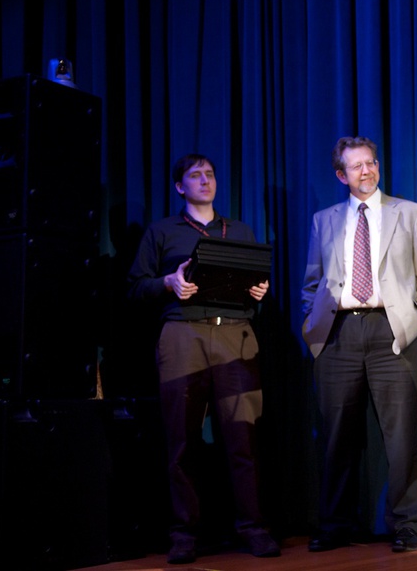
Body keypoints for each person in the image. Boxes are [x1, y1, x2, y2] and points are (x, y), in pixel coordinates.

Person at [127, 153, 280, 565]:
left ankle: (253, 528)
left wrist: (259, 292)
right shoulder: (162, 231)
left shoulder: (239, 230)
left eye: (210, 174)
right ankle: (184, 534)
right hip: (183, 333)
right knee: (182, 440)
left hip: (235, 333)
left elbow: (255, 281)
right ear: (180, 186)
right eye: (195, 176)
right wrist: (168, 282)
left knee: (243, 437)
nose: (205, 180)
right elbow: (135, 287)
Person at [301, 136, 417, 554]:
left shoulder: (409, 213)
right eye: (357, 166)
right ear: (340, 175)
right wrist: (312, 325)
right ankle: (335, 525)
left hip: (391, 332)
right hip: (338, 334)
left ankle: (405, 525)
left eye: (371, 162)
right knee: (336, 436)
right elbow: (312, 283)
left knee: (401, 437)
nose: (367, 171)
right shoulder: (323, 220)